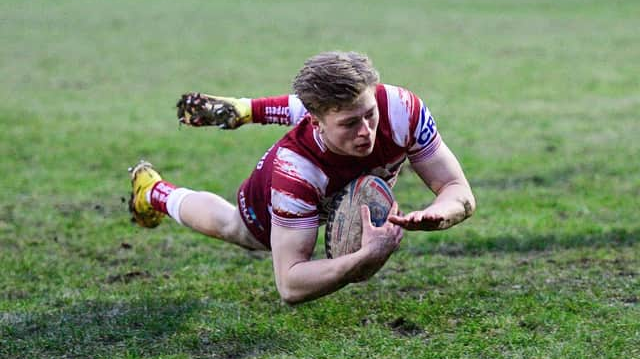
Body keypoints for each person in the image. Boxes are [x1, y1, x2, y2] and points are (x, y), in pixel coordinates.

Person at [129, 51, 476, 304]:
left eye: (370, 115)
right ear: (315, 123)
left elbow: (456, 190)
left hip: (334, 169)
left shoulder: (402, 110)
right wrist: (362, 258)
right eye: (351, 125)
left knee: (348, 113)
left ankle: (246, 108)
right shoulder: (296, 172)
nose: (366, 131)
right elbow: (291, 285)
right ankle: (155, 192)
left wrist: (439, 214)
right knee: (236, 228)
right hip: (286, 188)